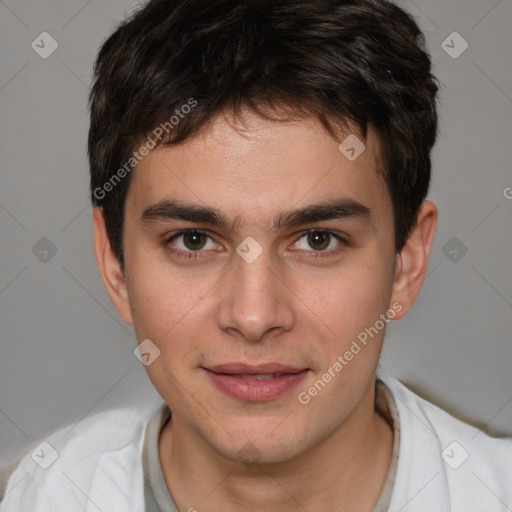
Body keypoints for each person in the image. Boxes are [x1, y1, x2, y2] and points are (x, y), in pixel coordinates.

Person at [1, 0, 511, 510]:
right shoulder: (34, 495)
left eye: (318, 240)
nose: (253, 315)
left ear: (407, 262)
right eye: (193, 240)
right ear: (115, 265)